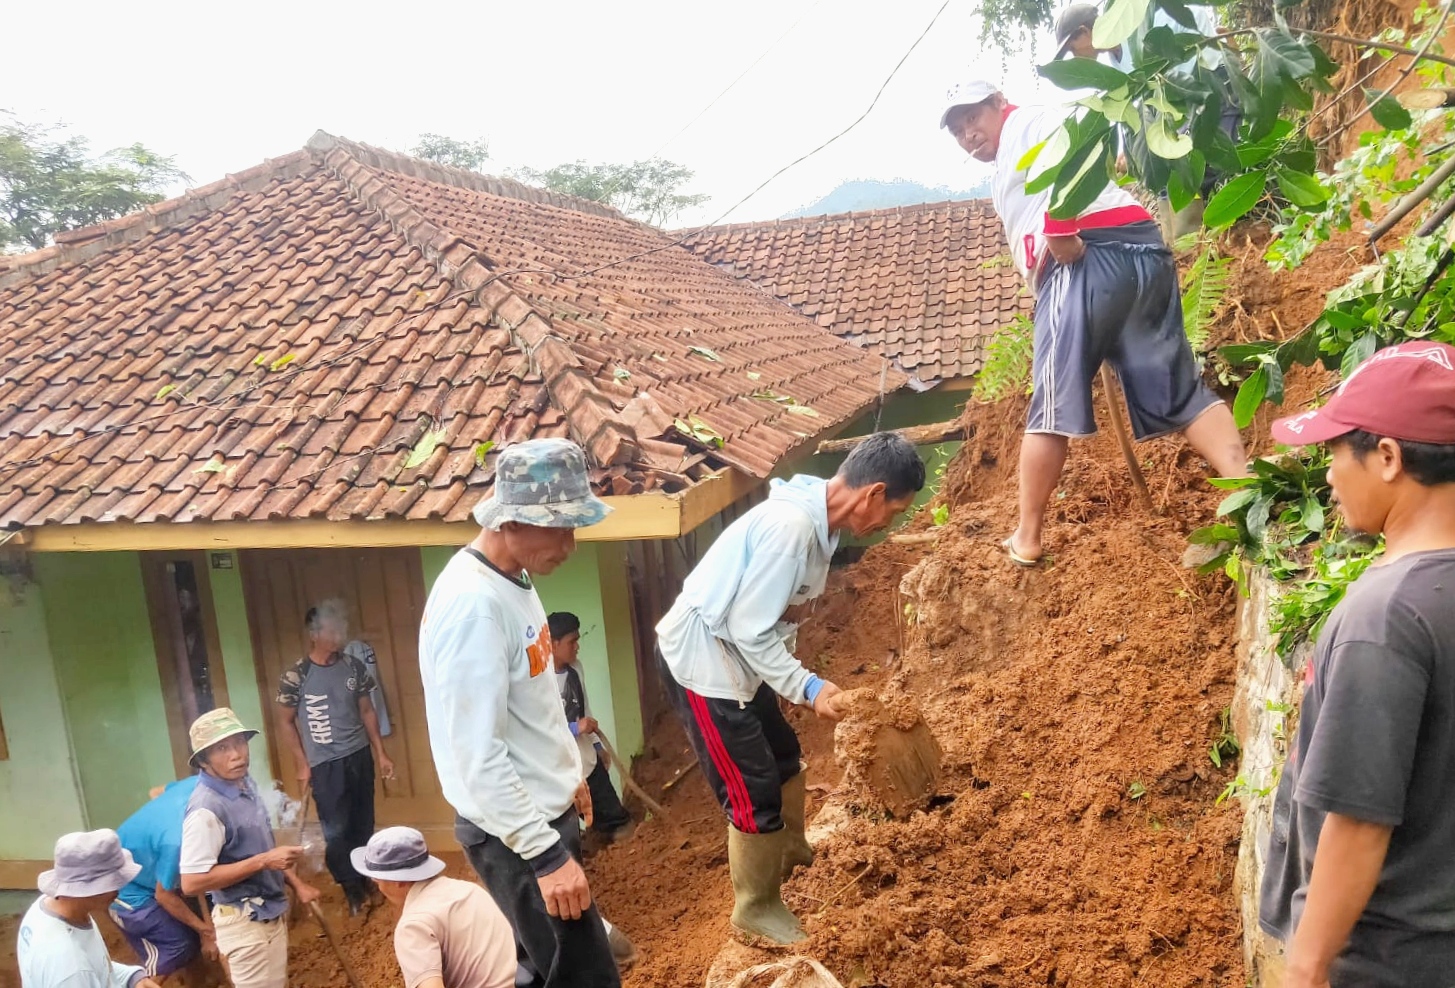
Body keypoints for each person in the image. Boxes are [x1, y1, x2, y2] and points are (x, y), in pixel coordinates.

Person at [939, 79, 1248, 566]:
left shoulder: (1029, 122)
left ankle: (1027, 536)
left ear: (999, 102)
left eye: (972, 118)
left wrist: (1061, 232)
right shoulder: (1008, 157)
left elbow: (1066, 155)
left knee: (1050, 403)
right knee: (1180, 392)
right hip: (1142, 251)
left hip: (1084, 258)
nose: (968, 134)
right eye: (957, 130)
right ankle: (1246, 492)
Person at [655, 433, 926, 944]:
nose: (888, 523)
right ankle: (755, 907)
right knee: (751, 785)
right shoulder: (791, 528)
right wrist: (811, 687)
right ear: (873, 493)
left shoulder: (815, 521)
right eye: (894, 511)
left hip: (738, 658)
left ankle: (791, 850)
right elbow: (749, 627)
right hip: (705, 664)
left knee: (783, 755)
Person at [1259, 341, 1455, 988]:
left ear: (1388, 458)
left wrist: (1306, 968)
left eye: (1334, 454)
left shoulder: (1384, 616)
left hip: (1383, 961)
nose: (1326, 477)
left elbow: (1357, 819)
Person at [419, 437, 620, 988]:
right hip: (516, 836)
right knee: (589, 978)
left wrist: (569, 772)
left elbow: (534, 695)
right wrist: (546, 856)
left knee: (539, 971)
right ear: (509, 522)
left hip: (536, 815)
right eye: (559, 528)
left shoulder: (515, 579)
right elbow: (477, 756)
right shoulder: (473, 609)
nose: (570, 545)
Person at [179, 707, 320, 988]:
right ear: (204, 761)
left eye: (240, 742)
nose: (237, 754)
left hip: (269, 914)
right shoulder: (206, 809)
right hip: (244, 924)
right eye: (222, 748)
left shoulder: (244, 784)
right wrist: (265, 862)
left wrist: (295, 884)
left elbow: (260, 850)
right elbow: (192, 882)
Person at [275, 598, 396, 915]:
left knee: (363, 822)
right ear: (314, 633)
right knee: (337, 831)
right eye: (332, 627)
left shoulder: (353, 667)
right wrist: (302, 762)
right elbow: (286, 721)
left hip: (359, 757)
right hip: (325, 766)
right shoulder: (297, 676)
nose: (340, 632)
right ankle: (351, 889)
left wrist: (381, 754)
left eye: (340, 626)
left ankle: (366, 877)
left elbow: (367, 710)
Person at [351, 827, 516, 988]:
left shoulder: (413, 925)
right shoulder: (469, 890)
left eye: (377, 878)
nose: (374, 881)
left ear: (398, 882)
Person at [16, 829, 162, 988]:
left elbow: (93, 966)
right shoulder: (69, 967)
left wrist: (131, 977)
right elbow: (79, 972)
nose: (119, 889)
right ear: (88, 889)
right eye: (113, 882)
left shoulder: (44, 908)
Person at [109, 776, 218, 983]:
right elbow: (164, 895)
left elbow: (155, 791)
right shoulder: (175, 843)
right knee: (178, 945)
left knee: (194, 930)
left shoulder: (201, 783)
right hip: (124, 891)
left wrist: (205, 930)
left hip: (153, 875)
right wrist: (206, 931)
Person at [550, 611, 633, 843]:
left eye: (577, 640)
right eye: (571, 642)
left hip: (587, 761)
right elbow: (540, 729)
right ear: (553, 644)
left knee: (617, 820)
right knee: (565, 832)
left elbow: (585, 709)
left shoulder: (576, 668)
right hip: (557, 769)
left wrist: (597, 746)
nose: (577, 647)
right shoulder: (538, 681)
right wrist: (576, 728)